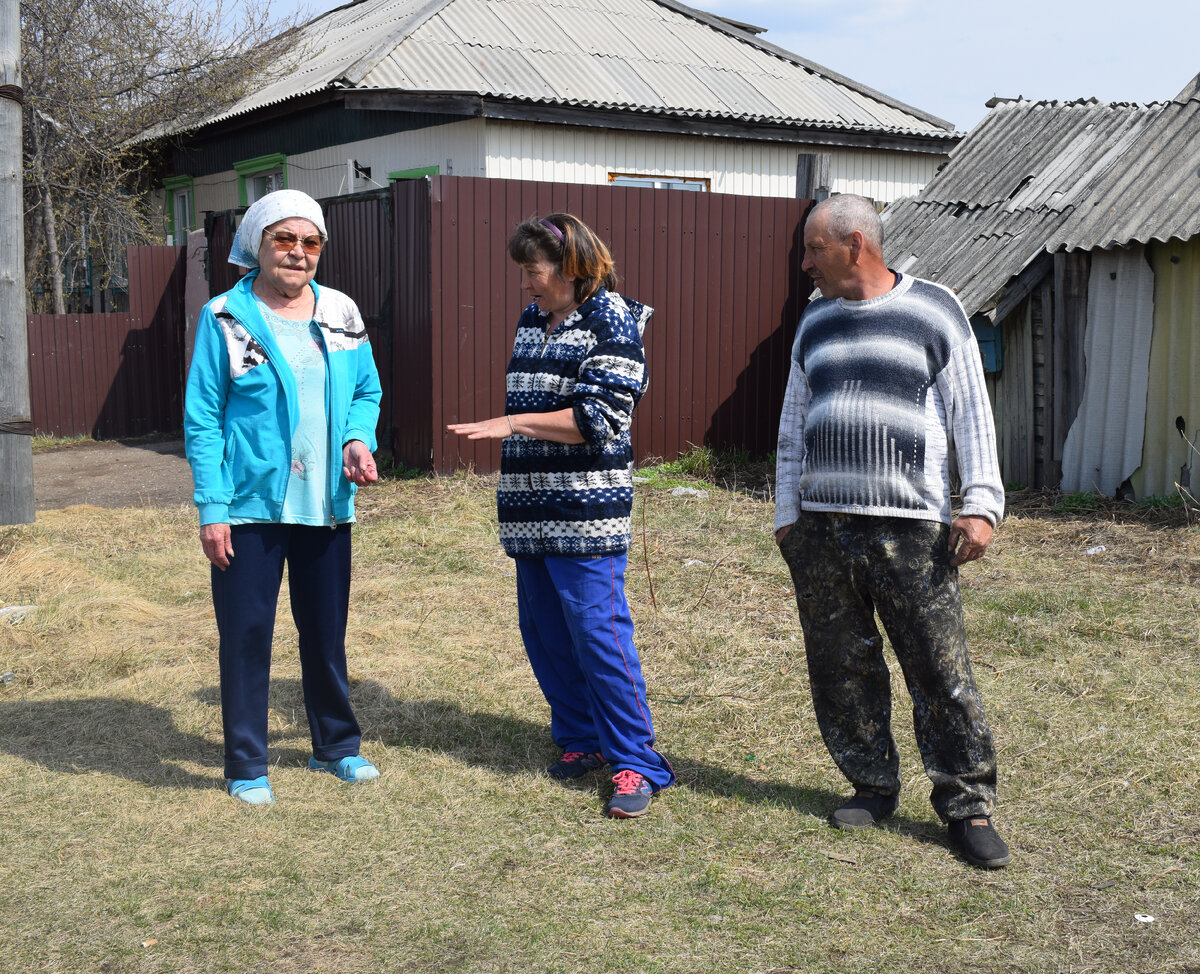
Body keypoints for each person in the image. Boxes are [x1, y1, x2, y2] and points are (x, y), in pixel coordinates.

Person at [774, 194, 1011, 868]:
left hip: (912, 529)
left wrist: (982, 504)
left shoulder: (933, 309)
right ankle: (871, 784)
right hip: (822, 528)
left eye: (812, 249)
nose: (803, 265)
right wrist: (788, 517)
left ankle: (967, 807)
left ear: (854, 243)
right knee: (842, 665)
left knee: (939, 671)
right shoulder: (815, 320)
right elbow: (793, 423)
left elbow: (972, 414)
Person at [448, 213, 674, 819]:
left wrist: (514, 423)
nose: (526, 283)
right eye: (524, 270)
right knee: (545, 633)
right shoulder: (533, 320)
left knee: (599, 637)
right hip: (529, 509)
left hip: (585, 514)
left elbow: (600, 419)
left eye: (534, 270)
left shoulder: (613, 321)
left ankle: (637, 762)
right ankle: (582, 741)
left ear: (572, 267)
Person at [184, 189, 383, 805]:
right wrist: (212, 508)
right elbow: (203, 418)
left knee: (325, 632)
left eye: (311, 242)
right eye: (285, 240)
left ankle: (337, 747)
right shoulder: (226, 317)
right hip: (249, 506)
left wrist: (356, 438)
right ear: (259, 244)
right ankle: (248, 762)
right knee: (247, 635)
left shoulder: (342, 312)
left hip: (325, 504)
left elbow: (366, 391)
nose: (298, 254)